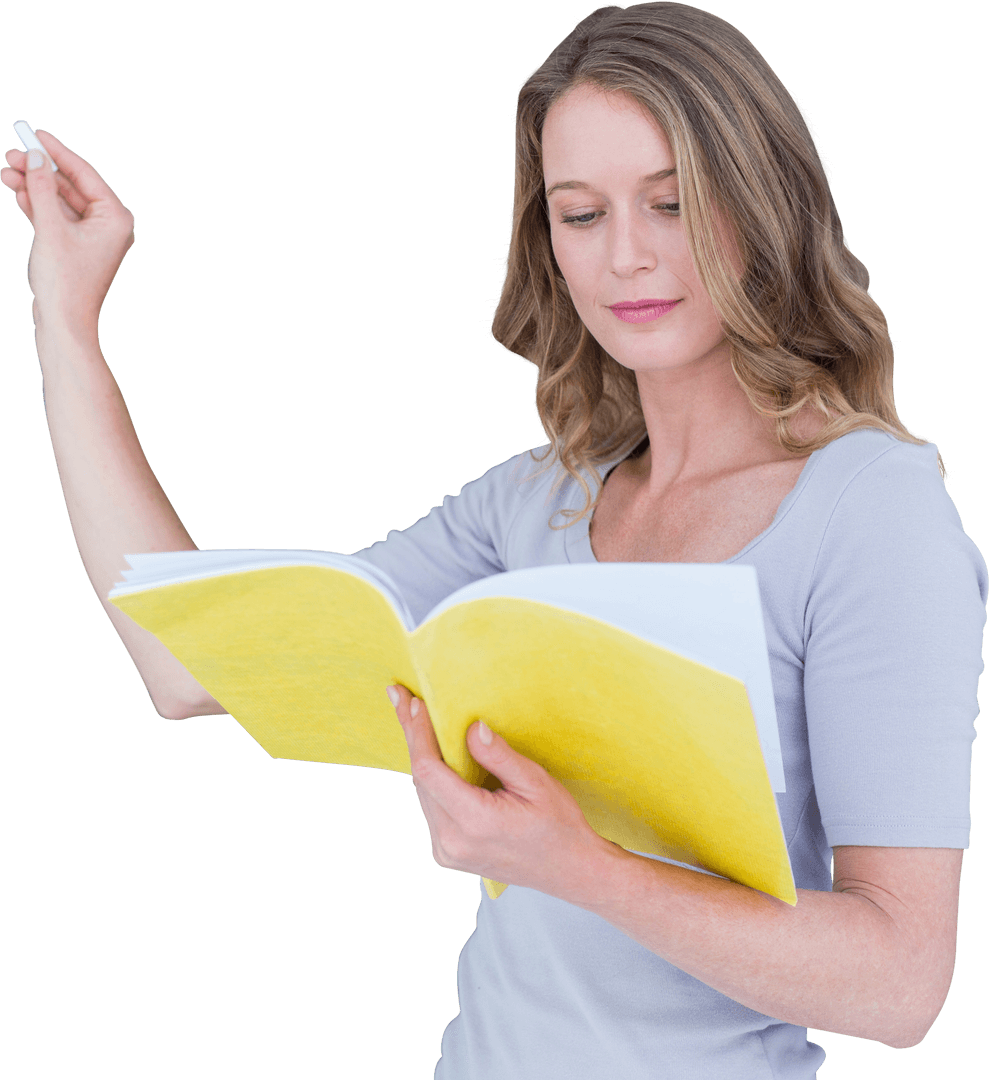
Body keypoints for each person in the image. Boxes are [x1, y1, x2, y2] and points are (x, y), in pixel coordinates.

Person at [3, 3, 984, 1077]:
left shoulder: (868, 514)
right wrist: (66, 320)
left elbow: (899, 989)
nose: (625, 257)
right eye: (579, 213)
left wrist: (576, 865)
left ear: (760, 207)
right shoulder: (538, 502)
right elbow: (182, 665)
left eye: (670, 202)